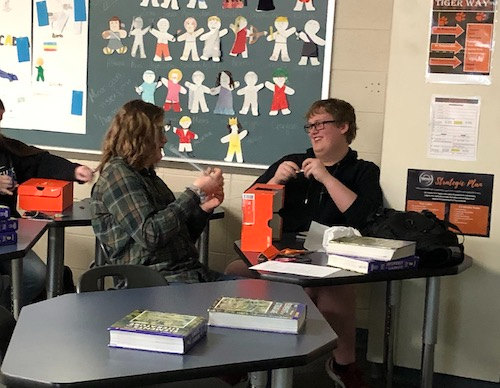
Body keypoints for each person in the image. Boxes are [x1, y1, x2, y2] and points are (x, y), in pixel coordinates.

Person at [225, 98, 383, 388]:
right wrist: (273, 181)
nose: (313, 131)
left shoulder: (363, 171)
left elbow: (365, 218)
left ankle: (344, 364)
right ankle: (242, 359)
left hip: (331, 260)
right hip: (280, 255)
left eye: (320, 124)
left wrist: (325, 176)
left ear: (344, 127)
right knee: (237, 270)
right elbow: (251, 208)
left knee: (336, 287)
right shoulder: (292, 161)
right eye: (309, 126)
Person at [90, 99, 231, 284]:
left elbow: (178, 237)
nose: (164, 139)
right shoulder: (118, 176)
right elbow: (151, 235)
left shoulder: (146, 175)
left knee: (253, 292)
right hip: (155, 283)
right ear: (141, 137)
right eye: (159, 132)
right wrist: (194, 192)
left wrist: (202, 209)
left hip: (187, 274)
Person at [0, 98, 94, 308]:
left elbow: (40, 162)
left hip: (6, 236)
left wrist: (73, 170)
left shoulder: (7, 149)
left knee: (36, 276)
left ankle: (5, 318)